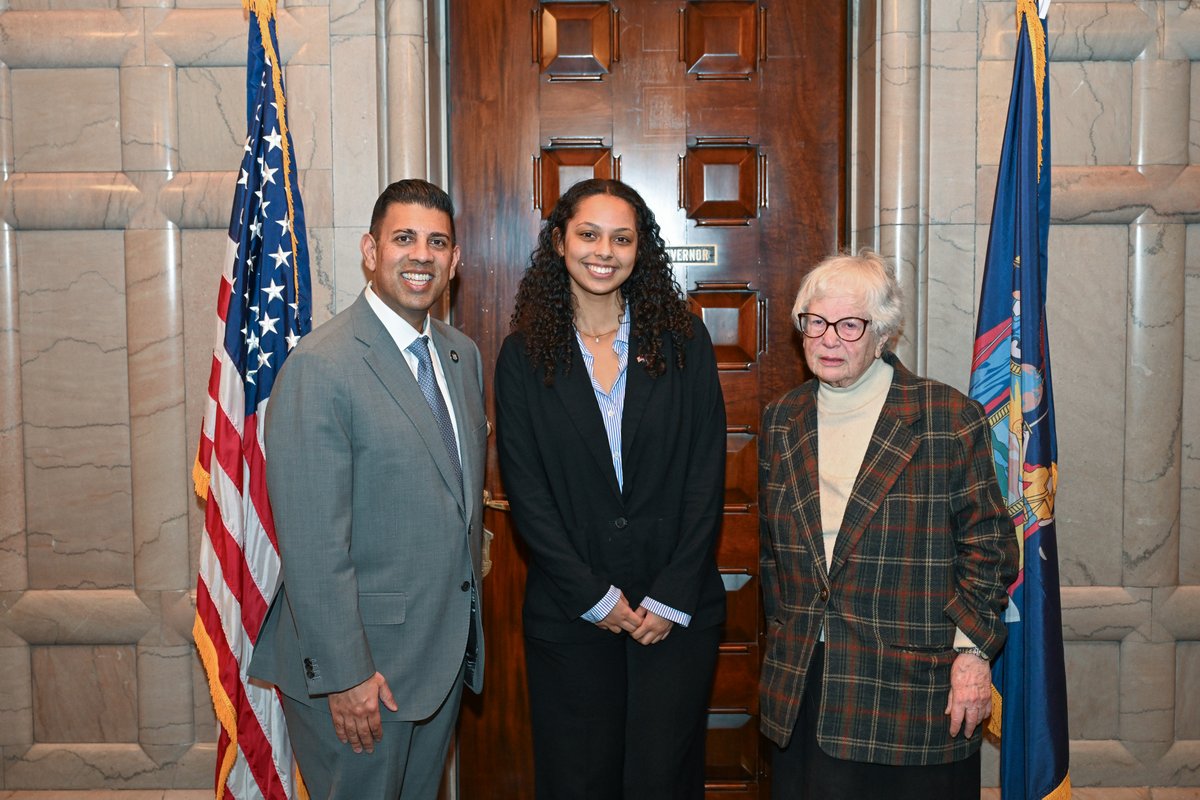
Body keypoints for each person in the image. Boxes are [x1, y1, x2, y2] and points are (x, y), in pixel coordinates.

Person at [249, 179, 487, 799]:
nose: (421, 255)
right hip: (362, 677)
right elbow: (313, 544)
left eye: (438, 242)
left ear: (455, 261)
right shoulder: (320, 365)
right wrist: (346, 676)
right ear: (370, 250)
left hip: (435, 664)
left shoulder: (461, 357)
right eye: (403, 238)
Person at [495, 178, 727, 799]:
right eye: (589, 234)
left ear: (639, 250)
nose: (605, 251)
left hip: (673, 616)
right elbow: (528, 492)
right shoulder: (523, 356)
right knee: (578, 781)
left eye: (622, 238)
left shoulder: (684, 343)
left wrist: (672, 595)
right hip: (573, 617)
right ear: (559, 242)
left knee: (664, 781)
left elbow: (707, 476)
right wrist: (595, 597)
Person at [758, 250, 1018, 800]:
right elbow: (772, 554)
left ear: (883, 335)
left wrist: (972, 658)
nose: (828, 339)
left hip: (913, 689)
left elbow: (990, 547)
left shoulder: (945, 417)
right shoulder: (784, 418)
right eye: (815, 322)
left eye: (849, 325)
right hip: (806, 677)